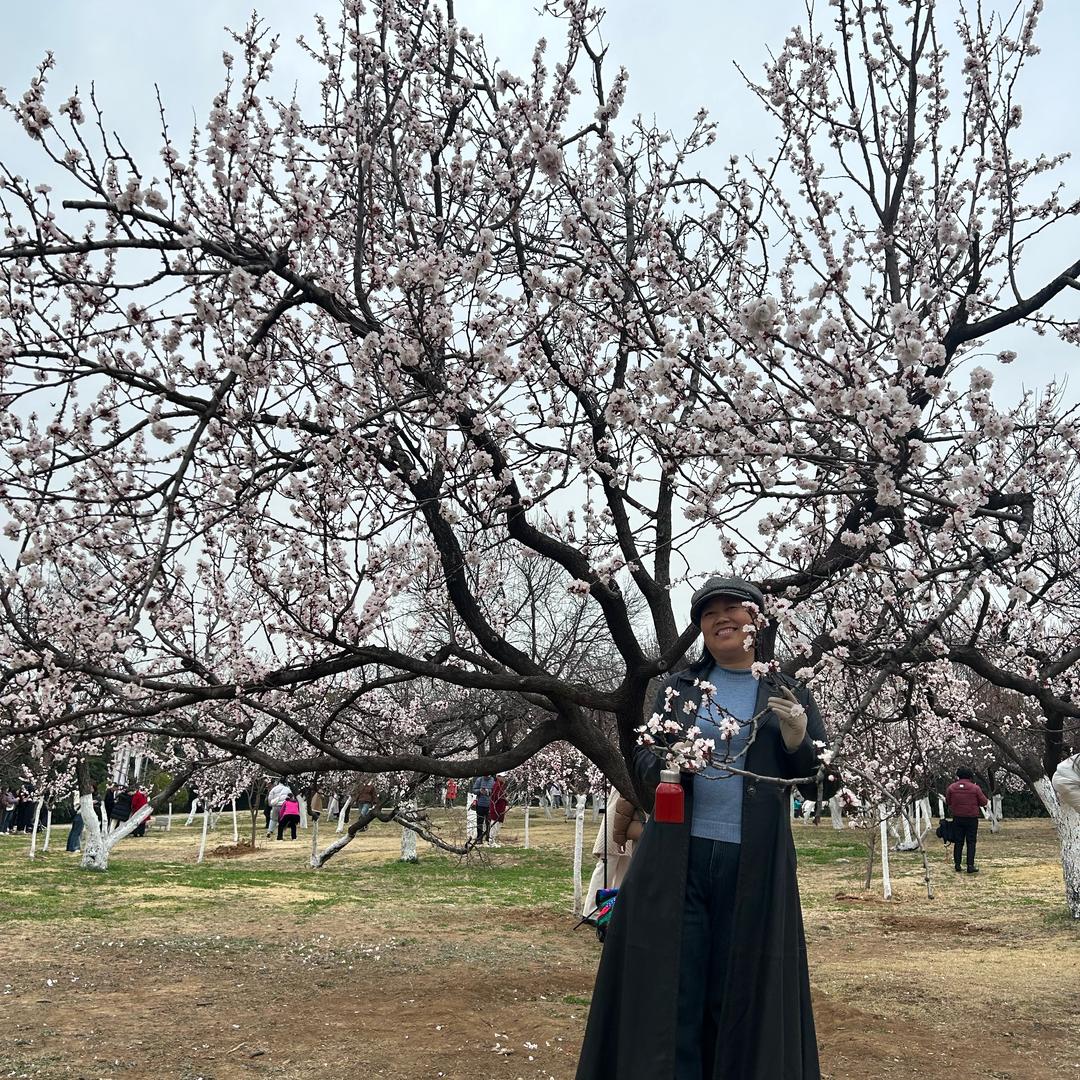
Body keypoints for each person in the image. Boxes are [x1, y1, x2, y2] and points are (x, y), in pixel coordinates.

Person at [576, 575, 838, 1080]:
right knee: (674, 984)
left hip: (755, 867)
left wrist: (797, 741)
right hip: (678, 861)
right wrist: (668, 761)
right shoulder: (679, 690)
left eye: (735, 609)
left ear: (757, 622)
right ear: (700, 628)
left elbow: (820, 786)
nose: (722, 618)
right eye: (708, 611)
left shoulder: (787, 691)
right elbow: (645, 767)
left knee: (742, 987)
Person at [946, 766, 988, 874]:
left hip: (957, 817)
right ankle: (970, 865)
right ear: (970, 776)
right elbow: (984, 802)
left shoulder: (951, 788)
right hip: (971, 818)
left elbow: (948, 801)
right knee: (971, 842)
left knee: (958, 842)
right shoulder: (975, 788)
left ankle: (957, 864)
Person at [471, 774, 495, 845]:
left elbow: (494, 791)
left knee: (488, 822)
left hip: (489, 804)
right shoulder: (479, 780)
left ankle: (488, 837)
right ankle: (479, 838)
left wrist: (488, 791)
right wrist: (480, 791)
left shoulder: (492, 780)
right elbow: (474, 790)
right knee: (479, 822)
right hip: (480, 804)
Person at [488, 775, 508, 846]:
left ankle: (494, 839)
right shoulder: (497, 785)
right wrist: (504, 798)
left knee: (498, 825)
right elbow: (495, 797)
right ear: (498, 777)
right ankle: (491, 841)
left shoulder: (502, 786)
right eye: (503, 777)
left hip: (500, 809)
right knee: (494, 824)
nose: (504, 778)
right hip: (496, 808)